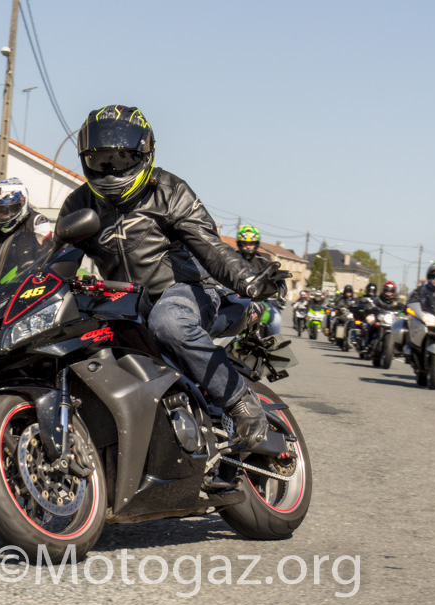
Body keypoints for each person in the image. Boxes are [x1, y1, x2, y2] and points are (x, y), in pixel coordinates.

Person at [57, 105, 284, 450]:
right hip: (124, 303)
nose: (110, 169)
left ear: (143, 154)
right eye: (101, 160)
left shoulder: (169, 190)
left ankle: (240, 401)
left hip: (184, 290)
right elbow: (56, 261)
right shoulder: (80, 203)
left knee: (168, 321)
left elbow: (209, 246)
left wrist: (247, 279)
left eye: (120, 158)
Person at [0, 177, 52, 269]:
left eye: (5, 210)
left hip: (29, 275)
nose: (1, 215)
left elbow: (46, 255)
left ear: (20, 205)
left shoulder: (38, 221)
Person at [236, 225, 283, 336]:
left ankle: (273, 344)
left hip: (261, 302)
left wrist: (279, 285)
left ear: (256, 244)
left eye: (251, 243)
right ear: (239, 243)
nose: (248, 247)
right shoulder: (232, 258)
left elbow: (275, 276)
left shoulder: (264, 261)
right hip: (236, 301)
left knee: (276, 320)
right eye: (245, 243)